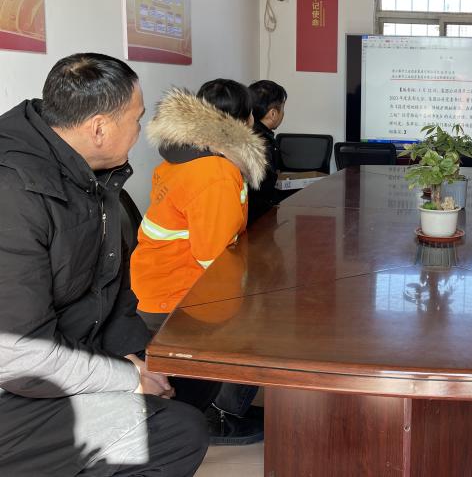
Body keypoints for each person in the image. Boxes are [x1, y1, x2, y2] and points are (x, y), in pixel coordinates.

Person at [0, 53, 208, 476]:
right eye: (137, 119)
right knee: (174, 433)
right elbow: (21, 357)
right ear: (98, 128)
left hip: (56, 354)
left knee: (184, 382)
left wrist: (133, 358)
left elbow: (108, 286)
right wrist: (125, 378)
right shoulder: (15, 192)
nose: (140, 132)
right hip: (15, 381)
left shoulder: (87, 170)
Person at [130, 79, 268, 445]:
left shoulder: (181, 156)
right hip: (179, 293)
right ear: (244, 120)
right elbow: (214, 258)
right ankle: (219, 416)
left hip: (154, 282)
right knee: (262, 330)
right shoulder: (216, 172)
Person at [247, 79, 287, 221]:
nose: (283, 113)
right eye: (283, 108)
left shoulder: (247, 133)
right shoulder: (263, 142)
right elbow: (265, 187)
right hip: (259, 218)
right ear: (273, 114)